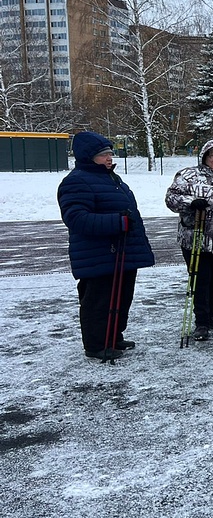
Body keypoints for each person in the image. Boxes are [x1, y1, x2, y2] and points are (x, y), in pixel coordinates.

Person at [57, 131, 155, 360]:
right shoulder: (76, 181)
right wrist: (117, 222)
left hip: (122, 250)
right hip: (98, 254)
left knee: (121, 296)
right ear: (88, 157)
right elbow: (76, 218)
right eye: (103, 155)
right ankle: (96, 344)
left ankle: (113, 336)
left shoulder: (111, 178)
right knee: (99, 300)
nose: (109, 158)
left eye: (110, 153)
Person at [164, 140, 213, 340]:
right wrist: (190, 202)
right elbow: (171, 198)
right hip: (195, 238)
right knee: (200, 279)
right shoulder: (188, 175)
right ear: (204, 156)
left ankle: (212, 313)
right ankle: (201, 321)